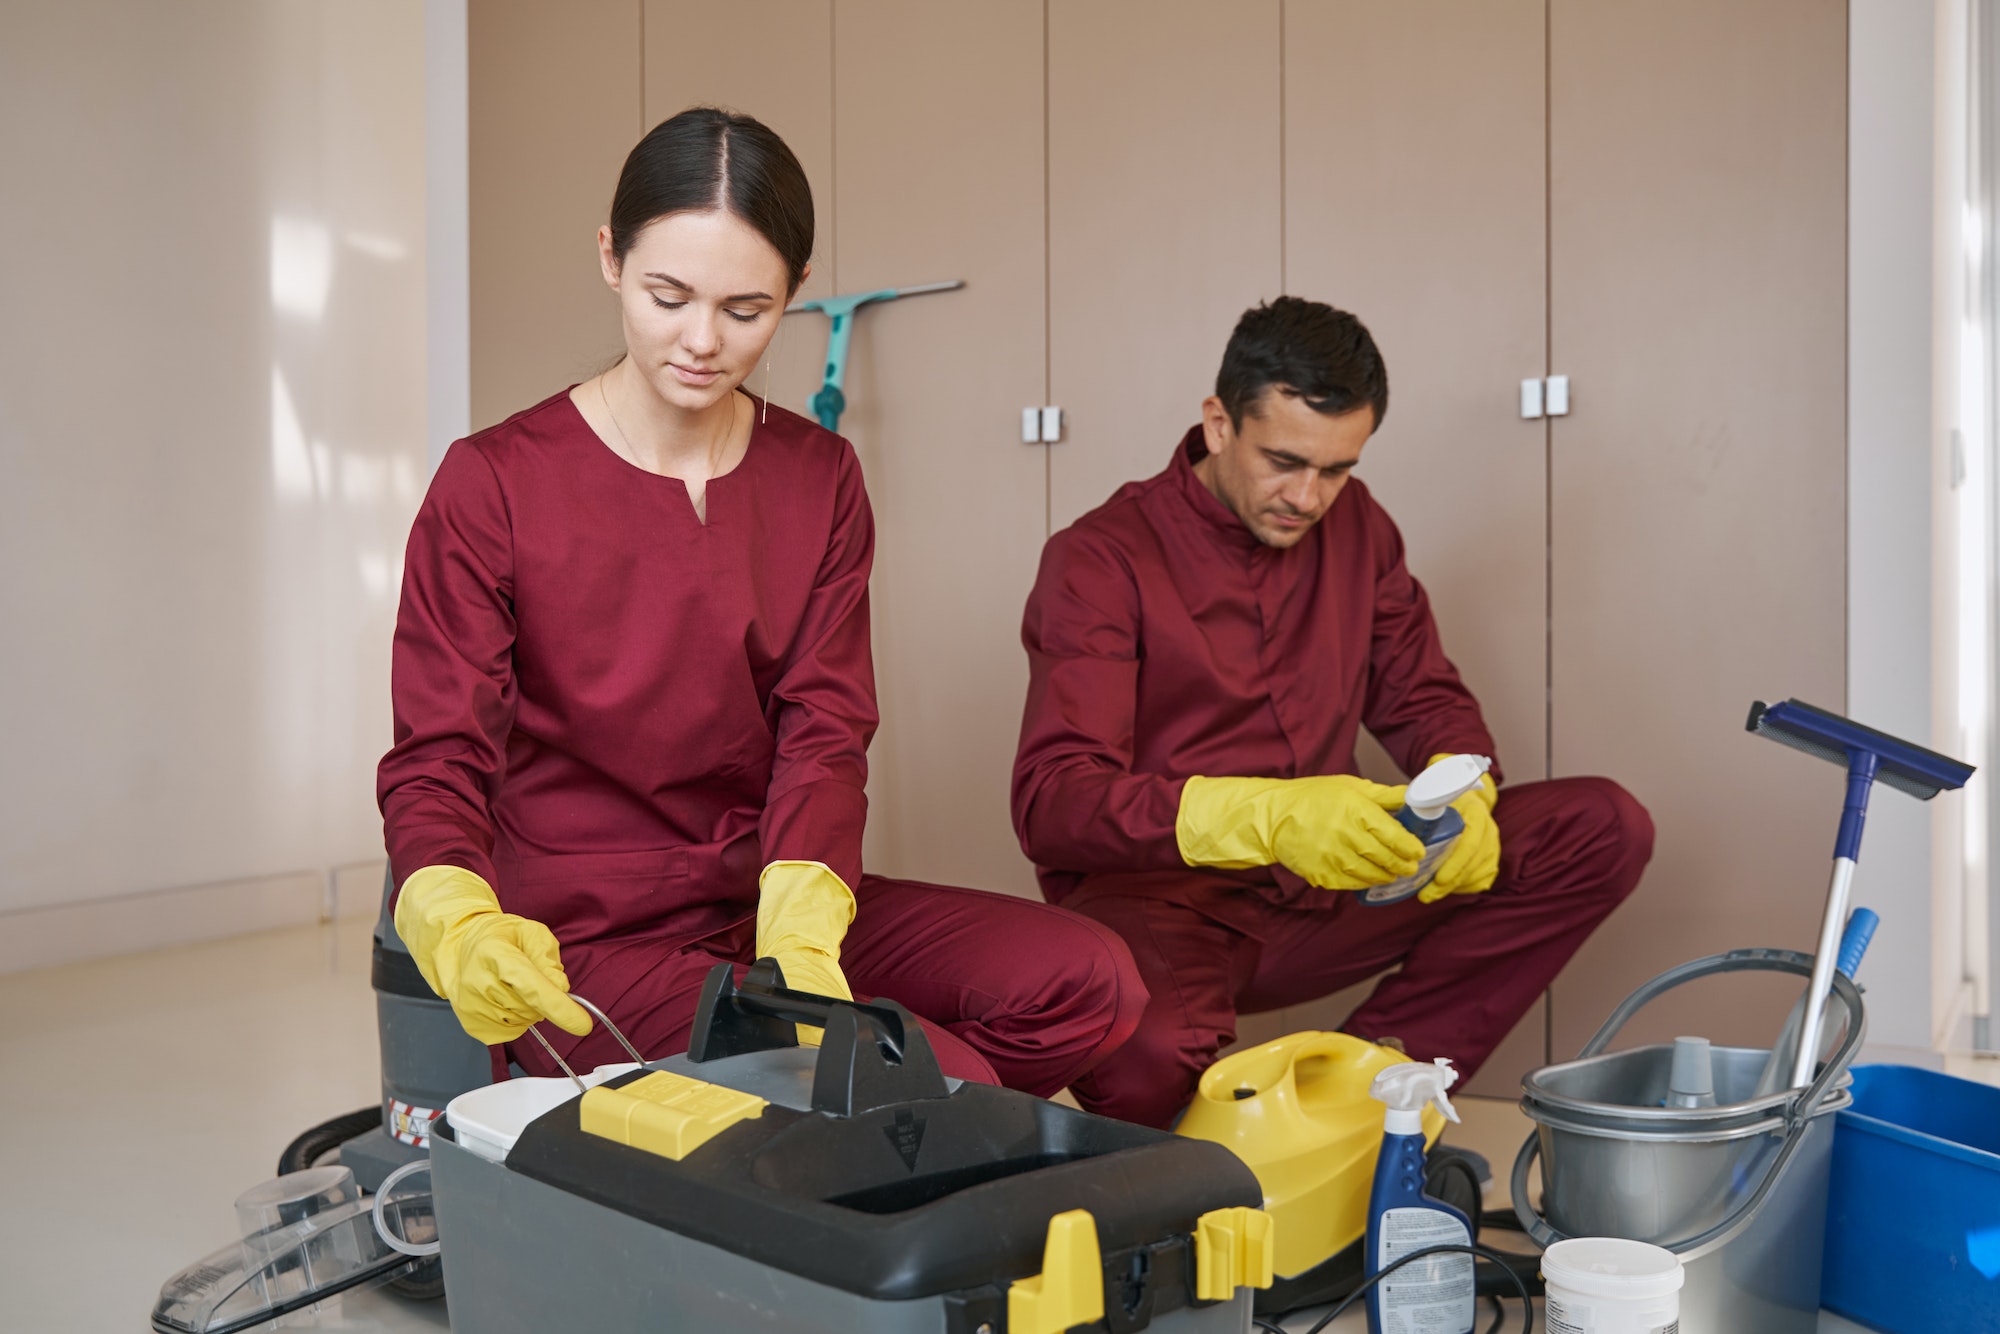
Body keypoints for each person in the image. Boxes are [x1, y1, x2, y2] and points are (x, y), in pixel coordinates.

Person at [379, 107, 1143, 1094]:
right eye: (667, 295)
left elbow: (824, 725)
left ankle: (815, 1177)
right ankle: (848, 1157)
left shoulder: (817, 473)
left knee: (1087, 984)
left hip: (769, 896)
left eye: (745, 309)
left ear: (794, 291)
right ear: (610, 257)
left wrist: (803, 911)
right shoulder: (492, 482)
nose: (700, 341)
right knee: (928, 1089)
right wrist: (456, 911)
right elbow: (439, 750)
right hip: (582, 941)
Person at [1011, 296, 1654, 1128]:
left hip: (1331, 888)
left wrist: (1469, 787)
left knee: (1603, 827)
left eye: (1339, 468)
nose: (1310, 497)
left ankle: (1362, 1101)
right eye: (1283, 460)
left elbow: (1425, 697)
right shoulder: (1098, 559)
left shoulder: (1362, 530)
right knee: (1145, 1051)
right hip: (1167, 909)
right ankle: (1230, 1172)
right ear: (1217, 423)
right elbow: (1055, 802)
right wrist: (1269, 815)